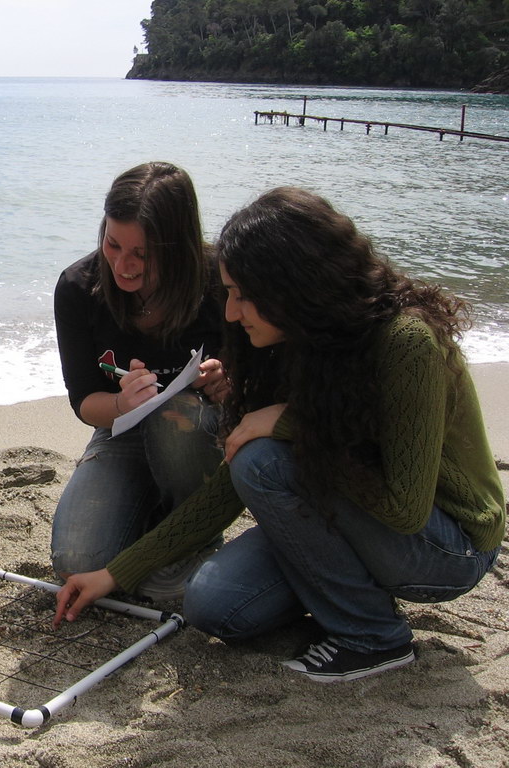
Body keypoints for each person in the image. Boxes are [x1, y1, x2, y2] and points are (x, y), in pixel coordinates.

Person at [54, 187, 505, 683]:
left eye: (243, 295)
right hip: (345, 513)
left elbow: (404, 508)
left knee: (261, 460)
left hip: (447, 543)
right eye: (228, 292)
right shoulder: (291, 338)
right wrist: (118, 573)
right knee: (212, 604)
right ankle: (343, 590)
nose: (228, 312)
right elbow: (230, 487)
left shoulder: (406, 342)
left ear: (293, 289)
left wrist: (288, 423)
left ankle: (373, 637)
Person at [51, 162, 229, 601]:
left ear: (179, 247)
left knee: (176, 420)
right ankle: (148, 516)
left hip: (197, 433)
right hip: (122, 432)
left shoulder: (220, 281)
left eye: (142, 254)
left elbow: (267, 368)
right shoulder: (79, 287)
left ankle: (192, 531)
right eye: (113, 244)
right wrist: (120, 406)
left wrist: (230, 381)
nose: (123, 266)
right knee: (76, 559)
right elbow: (83, 403)